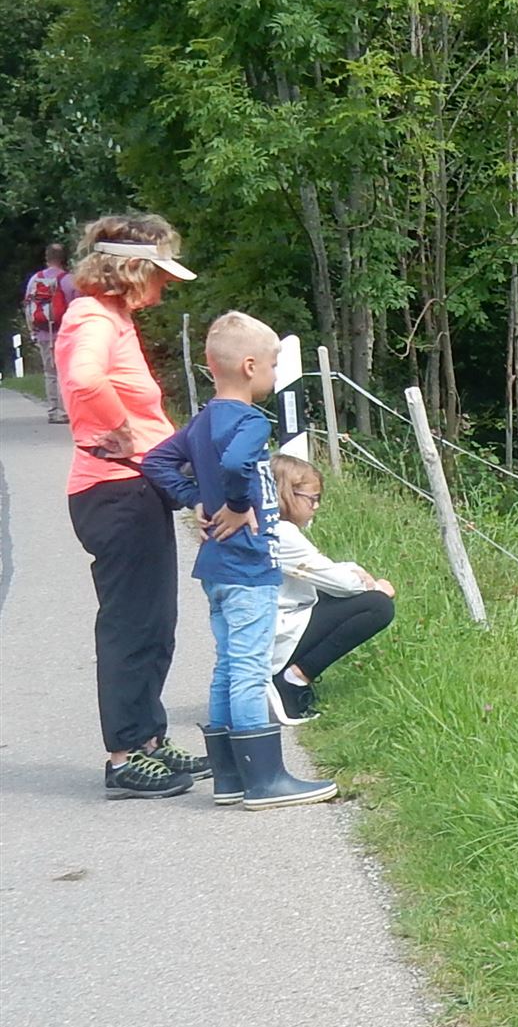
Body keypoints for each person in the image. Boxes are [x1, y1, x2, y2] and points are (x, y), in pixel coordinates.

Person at [142, 312, 336, 811]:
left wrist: (194, 498)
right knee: (250, 668)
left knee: (228, 666)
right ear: (250, 367)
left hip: (218, 567)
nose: (273, 374)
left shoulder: (205, 419)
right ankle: (265, 780)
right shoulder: (251, 421)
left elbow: (156, 461)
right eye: (272, 365)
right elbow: (235, 463)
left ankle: (229, 777)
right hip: (249, 565)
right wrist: (231, 503)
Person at [56, 214, 209, 799]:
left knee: (156, 624)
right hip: (114, 491)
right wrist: (117, 427)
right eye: (160, 274)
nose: (164, 286)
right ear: (131, 269)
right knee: (130, 626)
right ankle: (123, 756)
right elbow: (84, 378)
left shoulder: (113, 318)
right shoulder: (92, 318)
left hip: (135, 489)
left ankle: (148, 739)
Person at [266, 454, 396, 725]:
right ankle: (292, 679)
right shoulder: (282, 534)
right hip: (281, 626)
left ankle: (290, 674)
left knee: (344, 595)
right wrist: (375, 587)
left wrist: (353, 572)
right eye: (312, 499)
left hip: (281, 616)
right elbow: (341, 582)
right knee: (377, 606)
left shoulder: (269, 528)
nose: (316, 506)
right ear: (286, 495)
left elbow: (320, 569)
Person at [23, 242, 77, 423]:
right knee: (66, 372)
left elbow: (28, 307)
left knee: (50, 373)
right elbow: (79, 307)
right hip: (66, 334)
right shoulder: (69, 280)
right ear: (64, 258)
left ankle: (54, 411)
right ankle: (66, 411)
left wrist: (32, 330)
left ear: (46, 257)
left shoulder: (35, 279)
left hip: (44, 333)